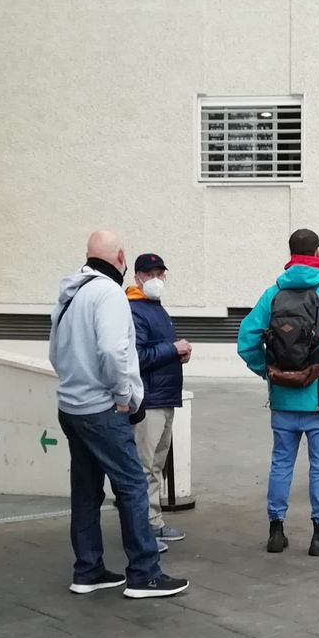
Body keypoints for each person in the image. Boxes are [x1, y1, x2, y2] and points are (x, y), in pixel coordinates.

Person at [50, 230, 189, 599]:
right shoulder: (109, 294)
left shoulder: (71, 292)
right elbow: (115, 352)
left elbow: (55, 351)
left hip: (72, 406)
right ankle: (145, 574)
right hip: (103, 408)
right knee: (132, 486)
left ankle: (88, 570)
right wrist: (124, 395)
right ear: (121, 257)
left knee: (85, 491)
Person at [237, 229, 319, 556]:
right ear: (318, 251)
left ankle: (276, 531)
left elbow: (246, 342)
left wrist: (270, 372)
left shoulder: (273, 294)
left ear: (291, 254)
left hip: (283, 398)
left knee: (281, 463)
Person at [126, 252, 192, 544]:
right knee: (143, 467)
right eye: (149, 274)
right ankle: (141, 530)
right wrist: (173, 349)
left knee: (155, 465)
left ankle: (152, 523)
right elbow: (136, 356)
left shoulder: (155, 308)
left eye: (159, 274)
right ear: (137, 277)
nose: (155, 279)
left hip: (164, 397)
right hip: (148, 399)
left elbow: (158, 349)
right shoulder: (133, 310)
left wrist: (178, 354)